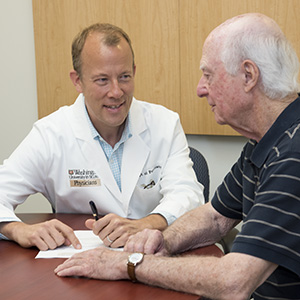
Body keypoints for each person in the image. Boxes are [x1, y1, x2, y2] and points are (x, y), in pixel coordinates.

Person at [54, 13, 300, 299]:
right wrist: (163, 241)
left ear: (248, 76)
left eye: (208, 74)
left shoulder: (293, 154)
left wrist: (129, 263)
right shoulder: (264, 140)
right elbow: (215, 217)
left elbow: (234, 281)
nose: (200, 88)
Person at [0, 23, 204, 251]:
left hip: (152, 256)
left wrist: (145, 224)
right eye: (102, 80)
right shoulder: (51, 134)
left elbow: (188, 194)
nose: (116, 92)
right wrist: (17, 229)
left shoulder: (164, 124)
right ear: (77, 80)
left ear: (134, 72)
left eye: (124, 76)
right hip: (80, 267)